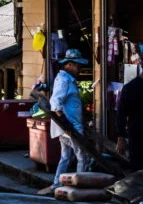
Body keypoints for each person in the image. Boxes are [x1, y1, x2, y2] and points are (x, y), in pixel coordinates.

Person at [46, 48, 91, 191]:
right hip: (69, 126)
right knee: (82, 156)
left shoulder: (66, 79)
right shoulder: (64, 80)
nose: (79, 69)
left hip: (67, 125)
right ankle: (80, 185)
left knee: (65, 156)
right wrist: (64, 122)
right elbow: (55, 102)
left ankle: (57, 183)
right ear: (69, 64)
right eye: (77, 65)